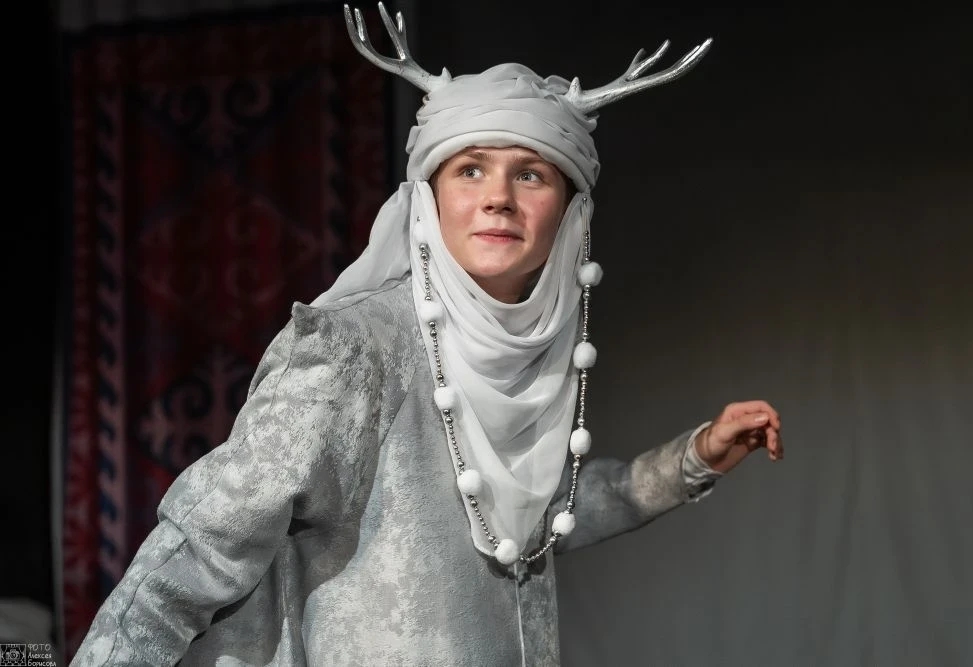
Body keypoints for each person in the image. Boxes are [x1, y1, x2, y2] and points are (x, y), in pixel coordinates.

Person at [71, 4, 783, 665]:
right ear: (429, 196)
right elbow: (196, 552)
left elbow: (538, 518)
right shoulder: (352, 350)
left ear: (570, 211)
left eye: (530, 174)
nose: (498, 198)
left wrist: (694, 458)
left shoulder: (533, 351)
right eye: (470, 169)